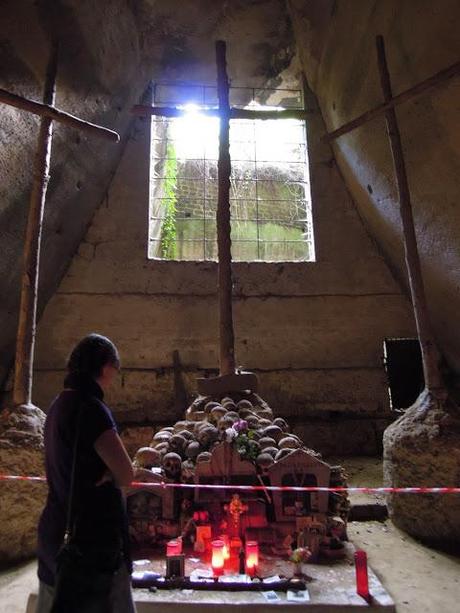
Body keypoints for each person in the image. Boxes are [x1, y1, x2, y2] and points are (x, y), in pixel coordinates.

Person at [36, 333, 136, 612]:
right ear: (105, 367)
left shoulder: (58, 405)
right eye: (114, 372)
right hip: (90, 540)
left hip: (56, 530)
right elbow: (126, 474)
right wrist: (112, 473)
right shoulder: (91, 408)